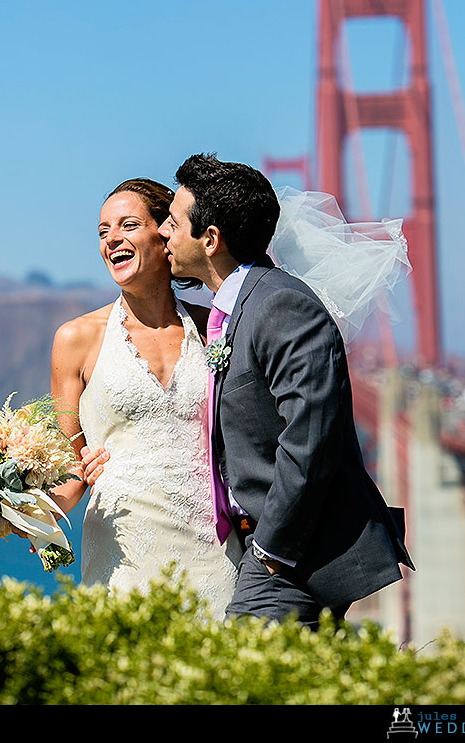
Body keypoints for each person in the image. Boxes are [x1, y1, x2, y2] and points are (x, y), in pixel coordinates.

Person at [158, 153, 415, 629]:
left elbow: (310, 438)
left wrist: (272, 549)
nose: (161, 233)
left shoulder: (282, 305)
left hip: (291, 556)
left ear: (210, 240)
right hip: (256, 547)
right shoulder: (234, 309)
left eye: (172, 223)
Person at [50, 178, 242, 618]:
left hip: (213, 547)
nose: (112, 239)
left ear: (165, 235)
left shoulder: (216, 326)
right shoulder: (75, 339)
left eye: (128, 225)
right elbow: (70, 468)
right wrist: (14, 505)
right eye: (102, 232)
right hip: (121, 550)